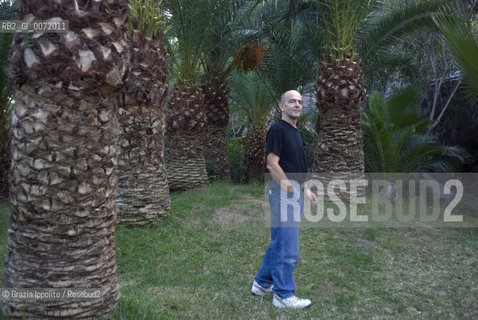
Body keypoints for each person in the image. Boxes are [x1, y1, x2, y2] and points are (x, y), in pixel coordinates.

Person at [251, 90, 318, 309]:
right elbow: (272, 164)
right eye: (292, 101)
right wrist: (289, 188)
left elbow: (296, 166)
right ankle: (282, 294)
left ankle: (261, 284)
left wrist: (305, 189)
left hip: (293, 190)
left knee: (279, 240)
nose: (297, 105)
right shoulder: (278, 129)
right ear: (282, 106)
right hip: (284, 192)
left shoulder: (295, 131)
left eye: (300, 102)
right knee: (288, 246)